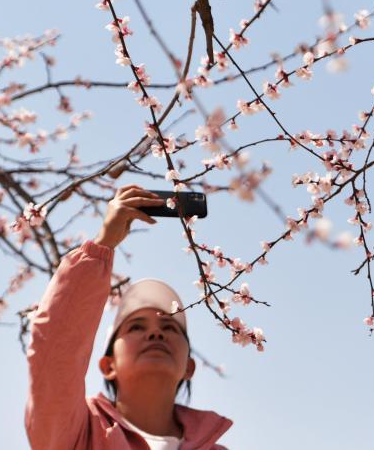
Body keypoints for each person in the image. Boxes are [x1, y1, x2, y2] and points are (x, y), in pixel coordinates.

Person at [25, 184, 233, 449]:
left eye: (169, 327)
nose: (155, 333)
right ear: (108, 365)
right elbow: (54, 352)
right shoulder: (77, 434)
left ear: (189, 367)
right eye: (136, 327)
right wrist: (102, 245)